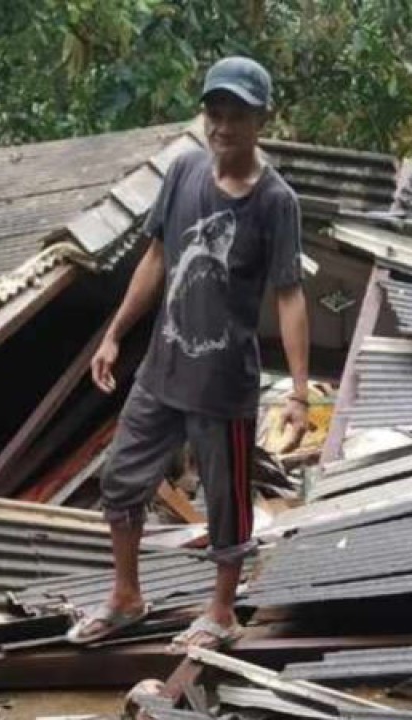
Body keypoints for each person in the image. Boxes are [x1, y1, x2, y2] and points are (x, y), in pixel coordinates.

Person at [65, 55, 311, 651]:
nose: (222, 126)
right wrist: (115, 332)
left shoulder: (276, 202)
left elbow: (290, 295)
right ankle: (126, 597)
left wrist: (301, 393)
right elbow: (156, 258)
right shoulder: (183, 171)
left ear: (261, 120)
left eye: (236, 115)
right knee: (121, 483)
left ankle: (222, 611)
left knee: (225, 503)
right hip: (162, 370)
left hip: (222, 386)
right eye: (214, 112)